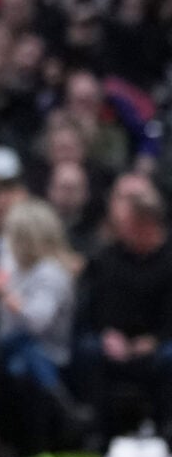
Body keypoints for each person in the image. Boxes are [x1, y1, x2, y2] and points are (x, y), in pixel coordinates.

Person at [70, 172, 172, 437]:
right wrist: (107, 334)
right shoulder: (107, 258)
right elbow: (97, 308)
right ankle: (95, 435)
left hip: (160, 342)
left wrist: (154, 340)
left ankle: (166, 432)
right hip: (115, 342)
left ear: (147, 224)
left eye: (128, 224)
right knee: (88, 350)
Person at [0, 198, 83, 453]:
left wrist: (2, 292)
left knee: (18, 357)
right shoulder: (19, 269)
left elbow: (36, 322)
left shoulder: (51, 272)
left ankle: (62, 409)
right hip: (13, 346)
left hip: (46, 352)